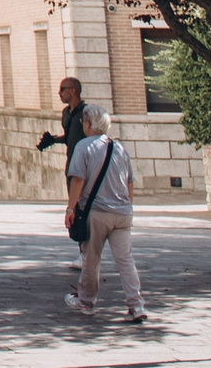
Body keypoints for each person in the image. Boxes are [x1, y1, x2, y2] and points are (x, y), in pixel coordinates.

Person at [62, 103, 145, 322]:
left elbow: (78, 179)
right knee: (125, 260)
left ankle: (86, 301)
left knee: (91, 258)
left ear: (88, 123)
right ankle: (136, 305)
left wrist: (71, 209)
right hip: (122, 212)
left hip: (97, 212)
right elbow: (129, 183)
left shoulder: (83, 147)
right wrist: (129, 208)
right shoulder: (119, 148)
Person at [35, 76, 87, 167]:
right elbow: (69, 137)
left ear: (72, 91)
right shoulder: (66, 112)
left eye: (62, 89)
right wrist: (53, 139)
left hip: (86, 161)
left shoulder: (87, 112)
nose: (59, 93)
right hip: (71, 161)